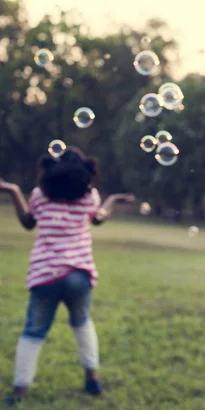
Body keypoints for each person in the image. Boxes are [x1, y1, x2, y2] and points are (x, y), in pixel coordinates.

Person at [0, 147, 134, 405]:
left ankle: (19, 392)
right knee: (82, 324)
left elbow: (28, 223)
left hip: (45, 277)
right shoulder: (89, 197)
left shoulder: (40, 195)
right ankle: (92, 377)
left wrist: (13, 190)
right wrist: (114, 199)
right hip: (79, 277)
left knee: (33, 332)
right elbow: (100, 218)